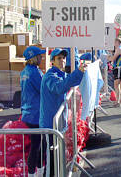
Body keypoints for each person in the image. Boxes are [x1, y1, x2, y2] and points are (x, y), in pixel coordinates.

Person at [39, 48, 85, 176]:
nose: (62, 61)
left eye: (63, 58)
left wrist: (80, 73)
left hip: (57, 124)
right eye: (59, 58)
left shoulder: (60, 74)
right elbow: (60, 87)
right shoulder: (50, 76)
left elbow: (70, 80)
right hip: (50, 125)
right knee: (51, 160)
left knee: (56, 157)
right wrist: (79, 72)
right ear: (52, 61)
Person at [20, 46, 46, 177]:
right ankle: (35, 173)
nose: (42, 58)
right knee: (37, 146)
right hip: (35, 114)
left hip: (28, 113)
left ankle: (37, 172)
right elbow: (43, 89)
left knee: (37, 144)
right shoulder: (35, 72)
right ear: (34, 58)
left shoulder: (25, 71)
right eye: (39, 56)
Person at [110, 38, 121, 107]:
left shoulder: (119, 49)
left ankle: (118, 101)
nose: (113, 44)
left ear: (117, 42)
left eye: (114, 43)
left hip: (118, 68)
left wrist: (108, 58)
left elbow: (113, 59)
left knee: (116, 85)